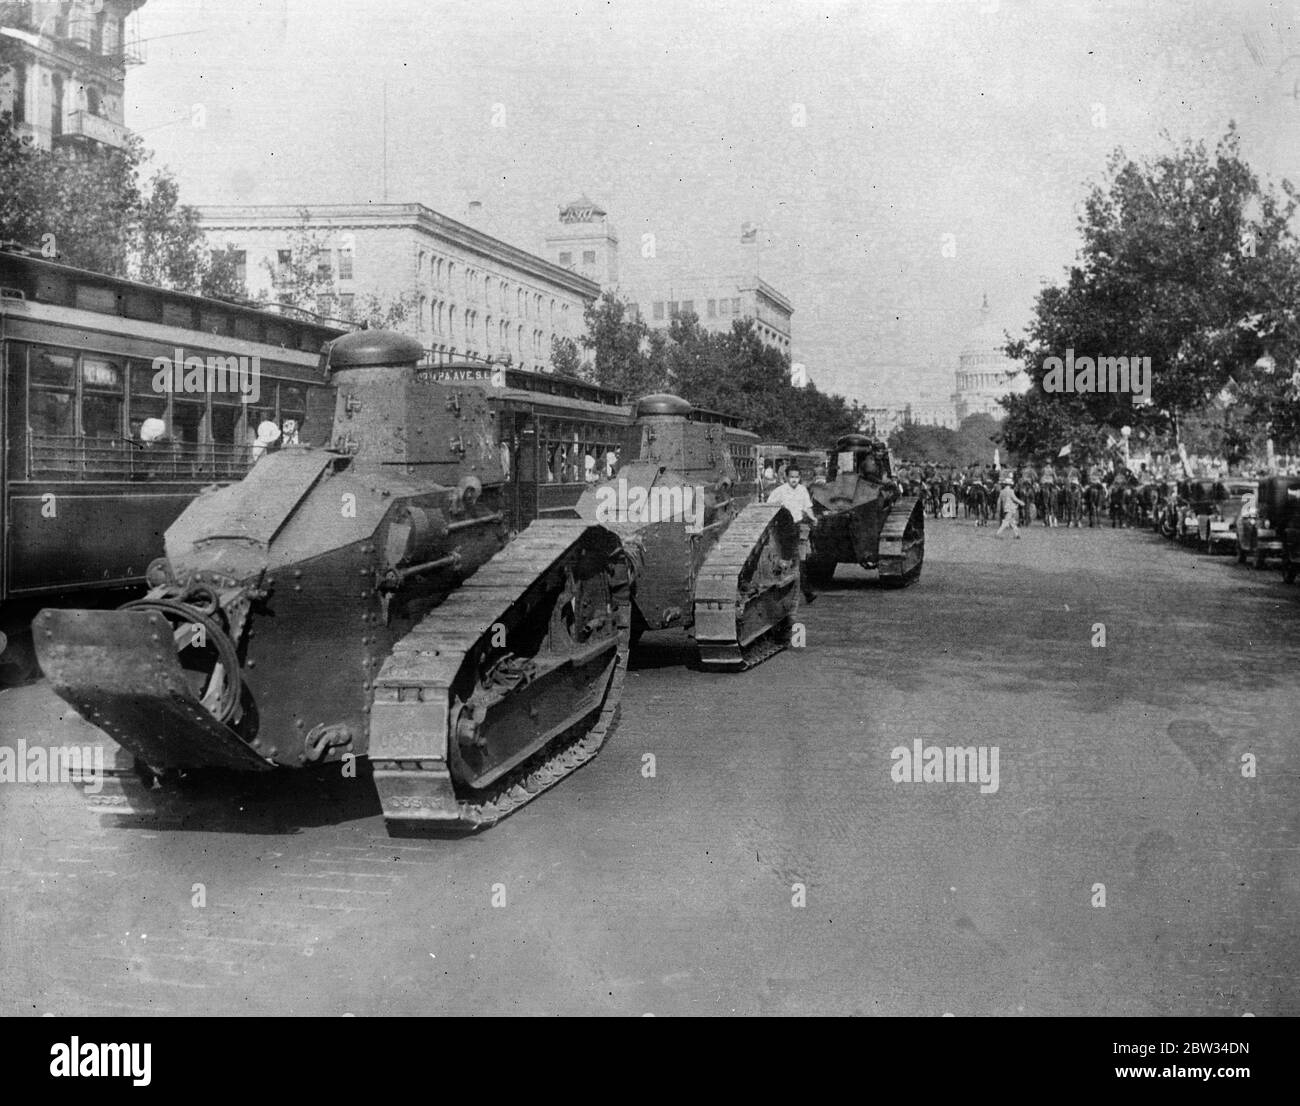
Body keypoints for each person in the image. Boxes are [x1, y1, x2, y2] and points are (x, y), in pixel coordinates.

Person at [767, 465, 818, 602]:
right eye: (791, 477)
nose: (794, 480)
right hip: (783, 528)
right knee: (791, 558)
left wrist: (813, 518)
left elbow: (807, 507)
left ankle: (804, 591)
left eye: (796, 477)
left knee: (798, 559)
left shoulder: (802, 490)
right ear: (786, 477)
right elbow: (769, 507)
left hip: (797, 527)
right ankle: (805, 592)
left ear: (799, 478)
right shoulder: (779, 491)